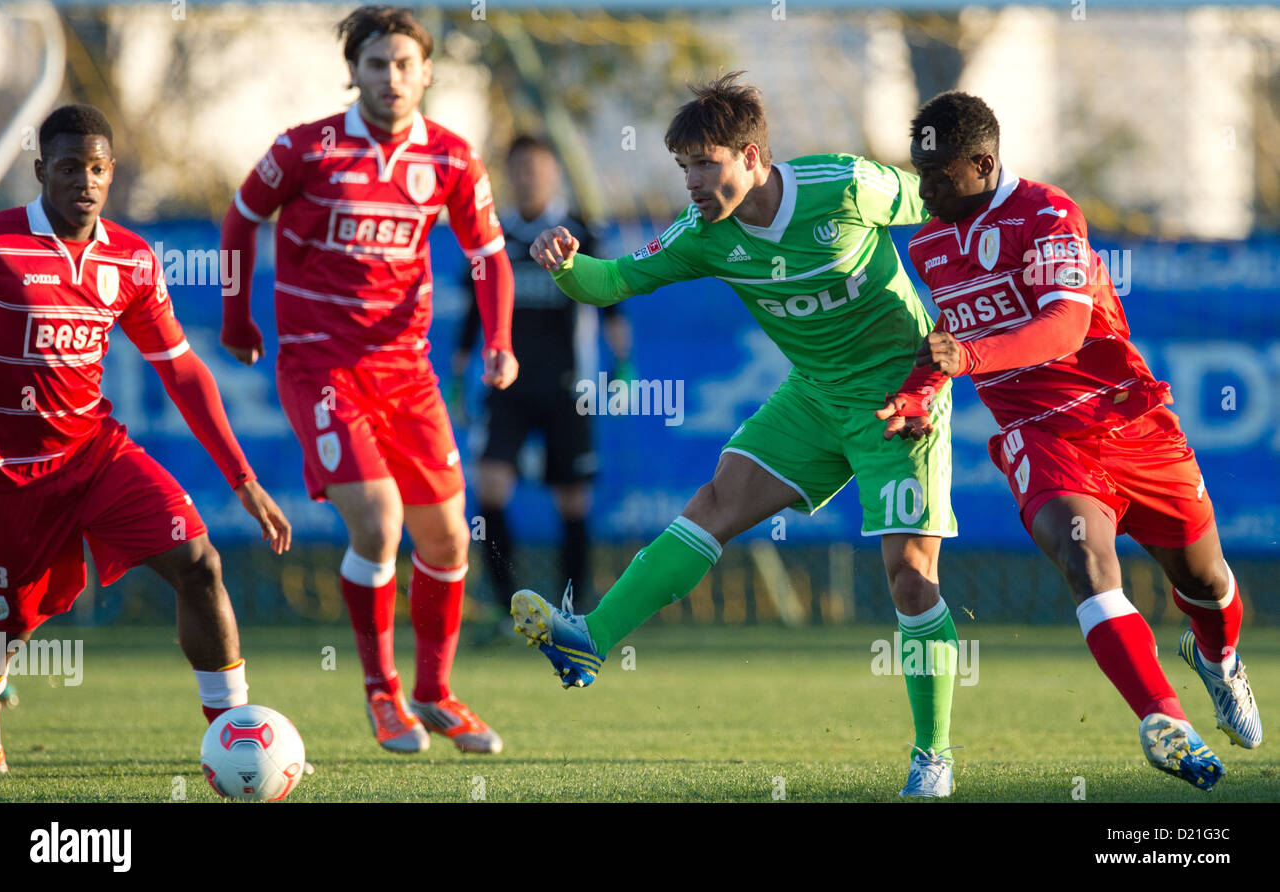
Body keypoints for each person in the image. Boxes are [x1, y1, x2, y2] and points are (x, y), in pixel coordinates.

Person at [519, 72, 963, 798]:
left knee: (910, 579)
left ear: (752, 156)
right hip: (814, 398)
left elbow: (949, 211)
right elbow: (614, 282)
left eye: (705, 163)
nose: (692, 181)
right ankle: (589, 640)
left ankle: (933, 757)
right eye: (683, 166)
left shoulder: (846, 186)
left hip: (899, 403)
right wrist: (567, 266)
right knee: (715, 504)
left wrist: (952, 331)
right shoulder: (705, 234)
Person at [885, 90, 1260, 791]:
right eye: (919, 173)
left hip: (1126, 419)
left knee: (1204, 582)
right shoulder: (930, 246)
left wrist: (963, 362)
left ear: (983, 163)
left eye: (938, 177)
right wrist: (918, 391)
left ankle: (1219, 661)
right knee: (1083, 556)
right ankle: (1162, 719)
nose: (925, 190)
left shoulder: (1047, 213)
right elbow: (951, 339)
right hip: (1039, 434)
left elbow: (1062, 327)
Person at [219, 6, 516, 754]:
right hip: (319, 366)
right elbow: (238, 219)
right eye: (377, 64)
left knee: (448, 540)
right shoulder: (305, 149)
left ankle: (436, 692)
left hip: (408, 375)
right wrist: (236, 317)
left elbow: (487, 256)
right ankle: (382, 692)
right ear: (353, 71)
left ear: (426, 72)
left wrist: (499, 343)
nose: (391, 78)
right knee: (381, 524)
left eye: (405, 64)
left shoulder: (451, 157)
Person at [0, 104, 292, 775]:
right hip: (4, 474)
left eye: (96, 169)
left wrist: (244, 479)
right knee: (5, 626)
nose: (83, 182)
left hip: (95, 455)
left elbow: (180, 369)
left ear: (111, 173)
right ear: (41, 172)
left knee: (198, 563)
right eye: (68, 168)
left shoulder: (132, 258)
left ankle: (236, 730)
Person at [453, 135, 631, 623]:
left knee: (573, 498)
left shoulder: (579, 234)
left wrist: (623, 368)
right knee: (490, 488)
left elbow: (613, 301)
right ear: (508, 175)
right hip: (504, 388)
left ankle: (574, 608)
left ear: (554, 173)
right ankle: (505, 604)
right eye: (520, 169)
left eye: (539, 168)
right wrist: (457, 374)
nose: (529, 177)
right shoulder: (494, 238)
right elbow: (475, 309)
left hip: (567, 390)